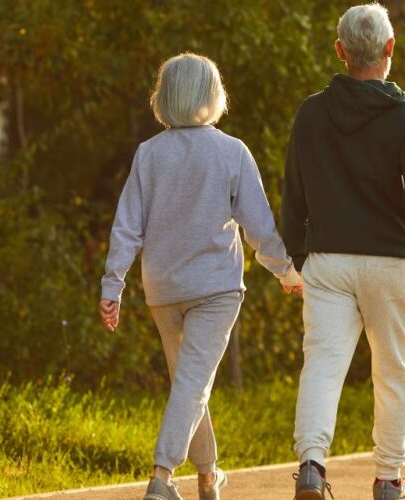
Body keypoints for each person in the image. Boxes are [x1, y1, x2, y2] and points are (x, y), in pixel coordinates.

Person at [99, 53, 302, 500]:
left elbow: (127, 225)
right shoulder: (232, 151)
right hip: (216, 289)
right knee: (192, 383)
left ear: (165, 96)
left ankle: (209, 477)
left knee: (190, 383)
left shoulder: (149, 154)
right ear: (212, 95)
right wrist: (287, 272)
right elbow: (260, 227)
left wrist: (113, 284)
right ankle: (161, 478)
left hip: (163, 289)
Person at [282, 4, 405, 500]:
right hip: (390, 262)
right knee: (392, 370)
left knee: (323, 365)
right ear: (389, 49)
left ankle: (311, 465)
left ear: (340, 51)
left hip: (328, 261)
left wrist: (296, 257)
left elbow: (295, 189)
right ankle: (388, 481)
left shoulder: (312, 111)